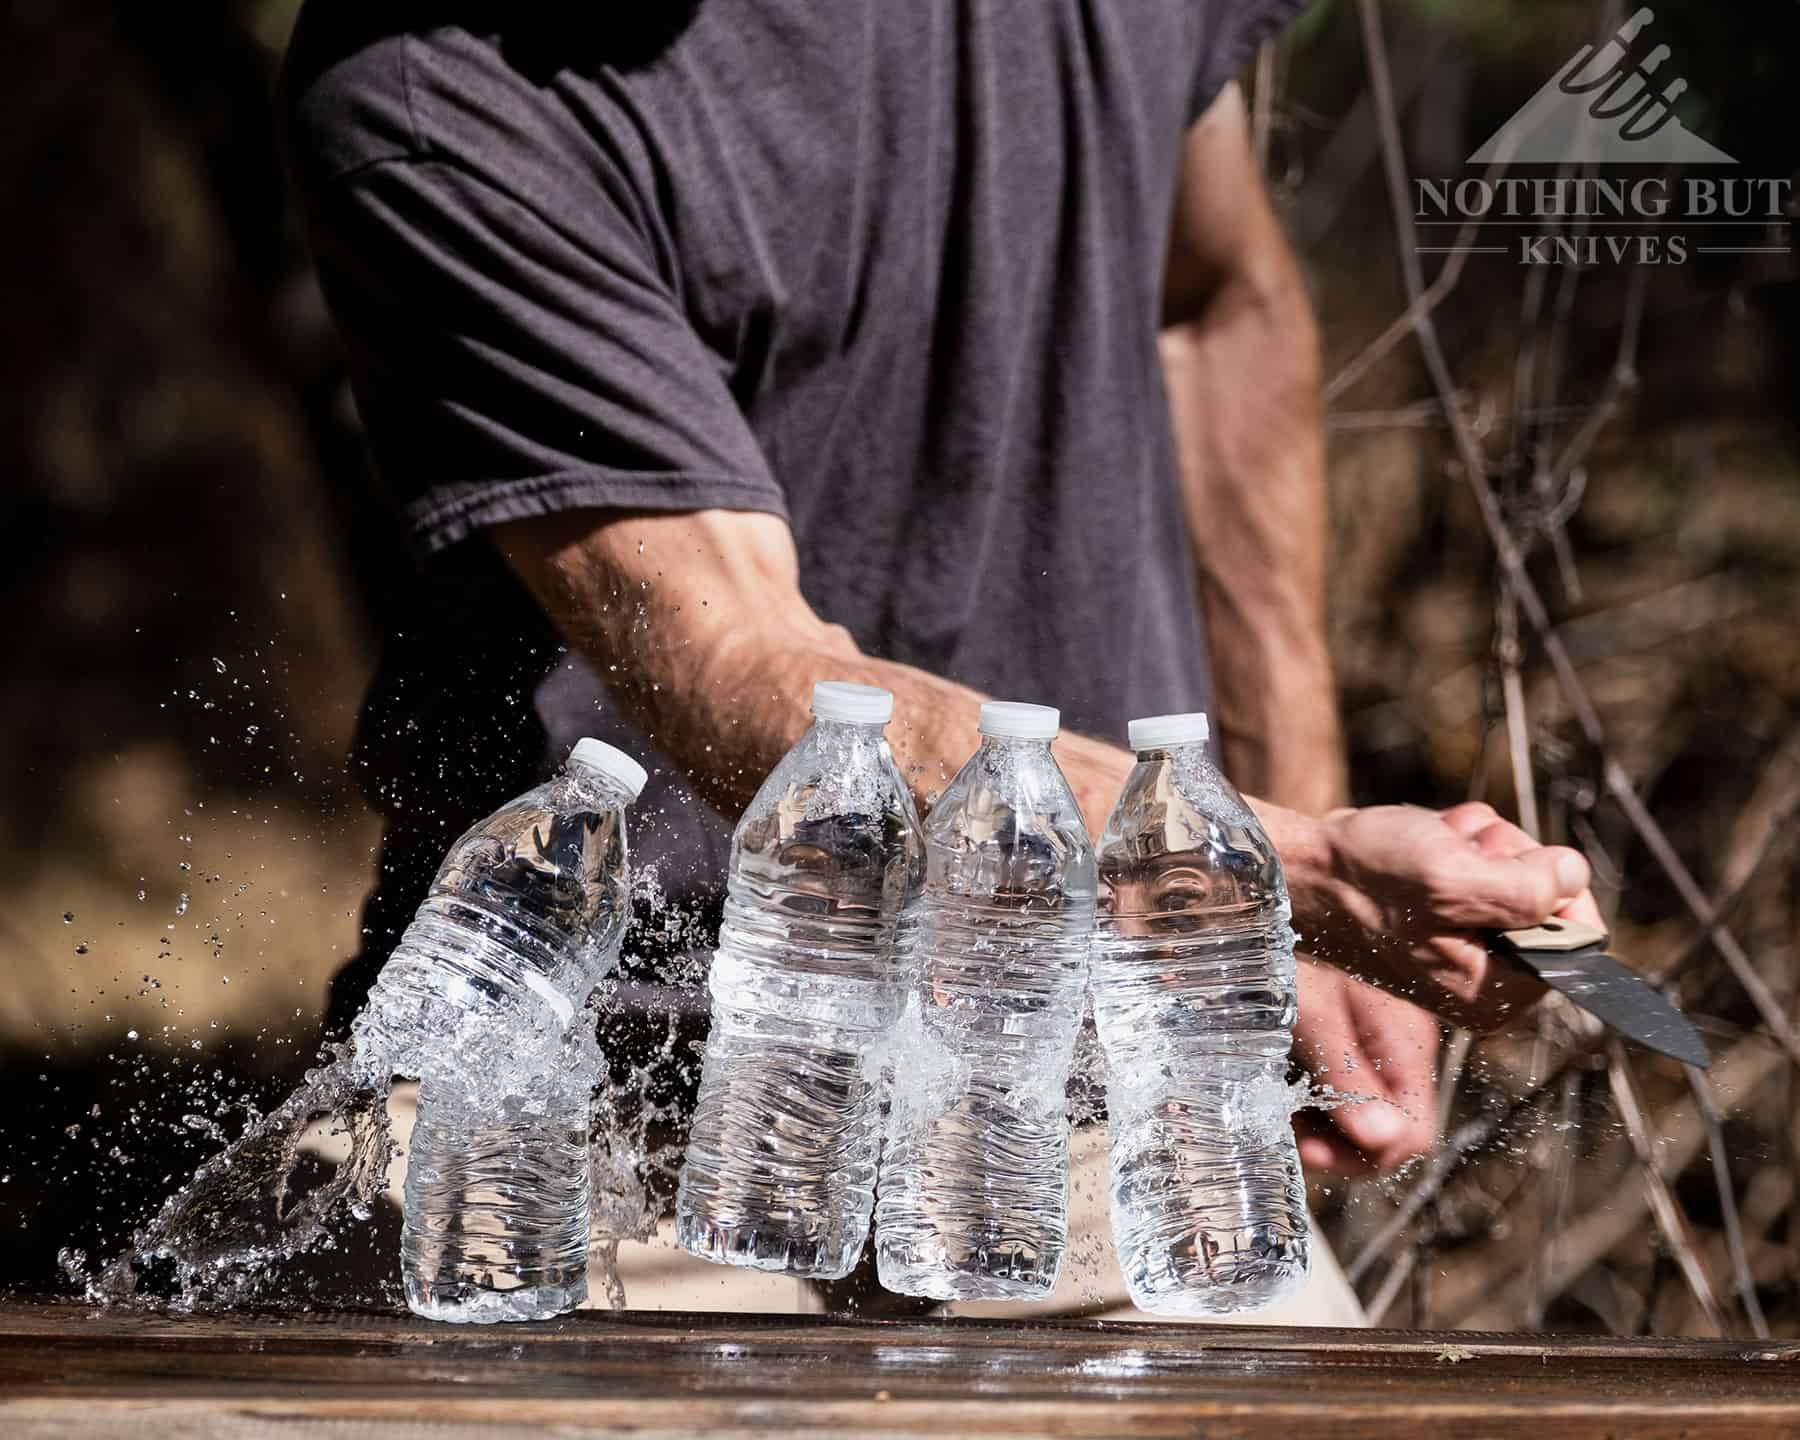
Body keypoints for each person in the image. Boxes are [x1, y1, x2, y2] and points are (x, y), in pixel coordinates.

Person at [278, 0, 1601, 1256]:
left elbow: (1212, 301)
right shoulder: (432, 88)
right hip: (581, 1136)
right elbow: (748, 670)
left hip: (1074, 1109)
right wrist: (1287, 874)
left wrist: (1287, 860)